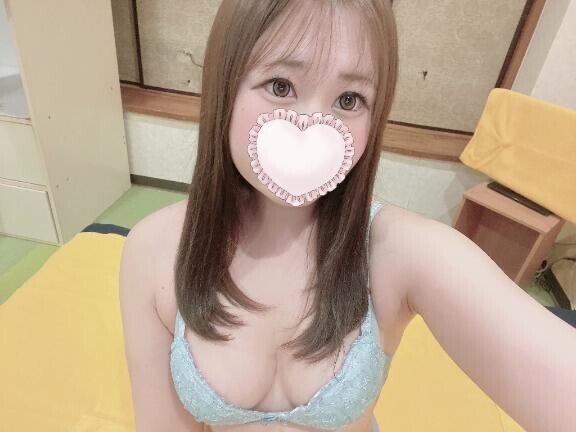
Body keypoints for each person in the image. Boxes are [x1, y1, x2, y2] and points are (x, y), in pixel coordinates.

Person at [119, 1, 576, 432]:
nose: (313, 129)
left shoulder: (401, 252)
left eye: (349, 100)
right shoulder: (154, 250)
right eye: (280, 86)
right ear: (226, 86)